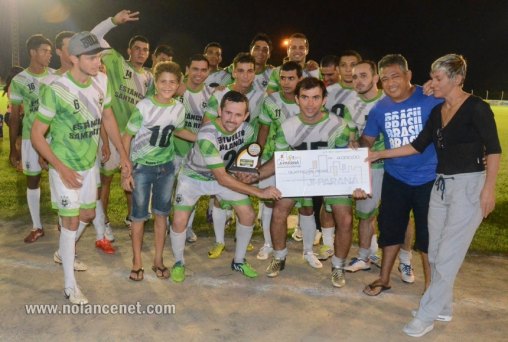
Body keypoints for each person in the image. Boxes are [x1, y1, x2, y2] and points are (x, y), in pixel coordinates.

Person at [368, 54, 501, 337]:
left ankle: (426, 314)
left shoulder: (477, 107)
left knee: (449, 254)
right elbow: (416, 146)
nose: (431, 83)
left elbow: (494, 149)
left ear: (457, 79)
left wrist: (488, 189)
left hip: (468, 186)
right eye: (431, 76)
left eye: (438, 78)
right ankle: (443, 307)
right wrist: (379, 153)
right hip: (441, 185)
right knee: (438, 252)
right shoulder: (438, 111)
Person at [31, 31, 131, 304]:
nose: (99, 61)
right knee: (71, 221)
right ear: (74, 58)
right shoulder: (57, 89)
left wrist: (123, 155)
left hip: (89, 165)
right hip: (65, 165)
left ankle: (65, 251)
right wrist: (60, 168)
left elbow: (108, 116)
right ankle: (69, 286)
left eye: (100, 56)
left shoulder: (102, 81)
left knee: (87, 215)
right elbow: (37, 135)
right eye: (92, 57)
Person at [170, 90, 281, 283]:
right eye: (228, 113)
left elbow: (239, 158)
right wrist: (259, 192)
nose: (232, 119)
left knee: (247, 214)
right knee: (180, 220)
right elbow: (221, 178)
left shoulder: (247, 130)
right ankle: (178, 262)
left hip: (223, 175)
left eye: (238, 114)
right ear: (220, 111)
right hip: (194, 178)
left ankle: (238, 261)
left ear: (246, 116)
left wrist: (243, 171)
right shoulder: (206, 134)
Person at [361, 54, 442, 296]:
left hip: (430, 177)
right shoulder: (379, 108)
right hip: (396, 178)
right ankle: (384, 278)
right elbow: (368, 139)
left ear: (408, 75)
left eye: (395, 76)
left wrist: (436, 86)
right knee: (390, 229)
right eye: (384, 78)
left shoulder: (430, 98)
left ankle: (430, 287)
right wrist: (357, 144)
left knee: (429, 234)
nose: (390, 83)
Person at [259, 77, 352, 287]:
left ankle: (338, 266)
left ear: (324, 100)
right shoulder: (287, 126)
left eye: (316, 98)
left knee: (344, 218)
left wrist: (355, 183)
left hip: (330, 175)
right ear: (297, 100)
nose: (310, 103)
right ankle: (280, 256)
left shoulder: (338, 125)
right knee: (279, 209)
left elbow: (344, 160)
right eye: (305, 97)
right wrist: (255, 175)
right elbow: (278, 160)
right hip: (299, 174)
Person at [122, 61, 193, 281]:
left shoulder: (179, 108)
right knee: (139, 216)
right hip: (142, 168)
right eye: (163, 81)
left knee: (162, 215)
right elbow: (127, 137)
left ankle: (158, 260)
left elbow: (178, 130)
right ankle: (136, 261)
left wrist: (202, 137)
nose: (167, 85)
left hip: (166, 167)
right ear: (155, 81)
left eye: (172, 82)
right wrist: (126, 169)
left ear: (179, 84)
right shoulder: (144, 106)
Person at [91, 10, 153, 239]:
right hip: (111, 133)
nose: (141, 52)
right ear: (129, 50)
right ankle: (104, 222)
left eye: (145, 49)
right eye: (137, 48)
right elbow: (93, 36)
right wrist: (113, 22)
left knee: (132, 181)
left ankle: (131, 218)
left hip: (135, 138)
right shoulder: (115, 61)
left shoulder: (149, 77)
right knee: (105, 180)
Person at [8, 34, 55, 243]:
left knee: (59, 179)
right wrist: (13, 148)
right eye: (45, 51)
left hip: (55, 137)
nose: (49, 55)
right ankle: (37, 226)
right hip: (30, 138)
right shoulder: (19, 80)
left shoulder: (56, 76)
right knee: (33, 180)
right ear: (33, 53)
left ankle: (65, 222)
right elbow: (16, 116)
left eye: (50, 52)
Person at [256, 61, 302, 260]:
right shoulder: (270, 100)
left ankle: (308, 251)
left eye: (291, 78)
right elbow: (264, 129)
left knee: (306, 207)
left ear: (299, 79)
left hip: (299, 162)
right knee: (269, 202)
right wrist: (257, 154)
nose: (286, 82)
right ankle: (268, 244)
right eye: (283, 77)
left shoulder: (306, 100)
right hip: (271, 158)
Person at [173, 54, 212, 243]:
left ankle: (187, 227)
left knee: (191, 190)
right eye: (195, 69)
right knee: (167, 190)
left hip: (196, 153)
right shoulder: (175, 89)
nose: (199, 73)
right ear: (187, 69)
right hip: (171, 149)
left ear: (209, 72)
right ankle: (167, 225)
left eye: (203, 70)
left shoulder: (212, 95)